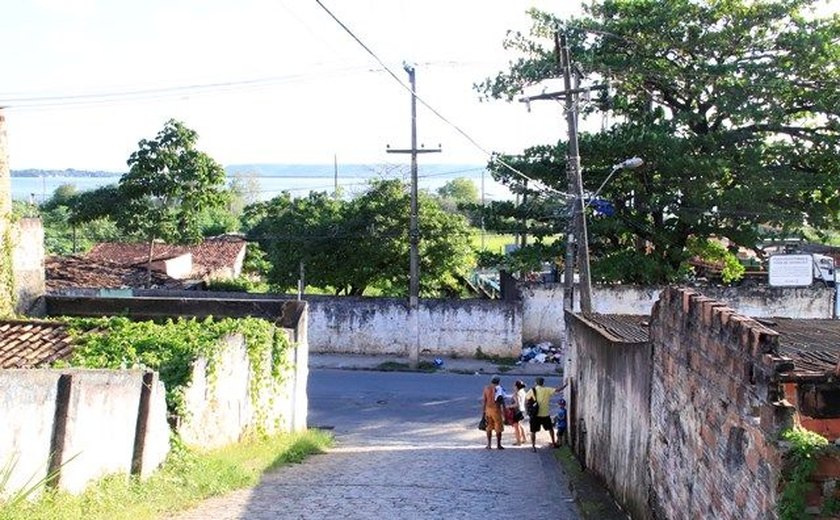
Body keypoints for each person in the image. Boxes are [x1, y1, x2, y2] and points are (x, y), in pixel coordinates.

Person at [525, 376, 567, 452]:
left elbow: (527, 400)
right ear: (543, 383)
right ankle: (554, 443)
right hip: (545, 414)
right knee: (550, 429)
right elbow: (558, 390)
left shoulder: (532, 390)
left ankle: (533, 447)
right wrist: (566, 384)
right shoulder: (547, 389)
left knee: (533, 431)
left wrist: (528, 410)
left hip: (535, 415)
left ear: (536, 383)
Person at [481, 376, 505, 449]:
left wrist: (483, 411)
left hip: (488, 409)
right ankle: (498, 444)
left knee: (488, 427)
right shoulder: (499, 389)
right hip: (496, 409)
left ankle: (489, 444)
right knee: (498, 427)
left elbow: (484, 400)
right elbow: (501, 400)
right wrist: (504, 410)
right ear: (498, 382)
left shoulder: (486, 388)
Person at [510, 380, 528, 446]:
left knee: (516, 427)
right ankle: (524, 439)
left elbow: (516, 404)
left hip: (517, 411)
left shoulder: (516, 393)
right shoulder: (523, 392)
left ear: (516, 386)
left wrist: (509, 406)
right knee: (520, 425)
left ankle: (518, 441)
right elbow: (526, 401)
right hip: (523, 410)